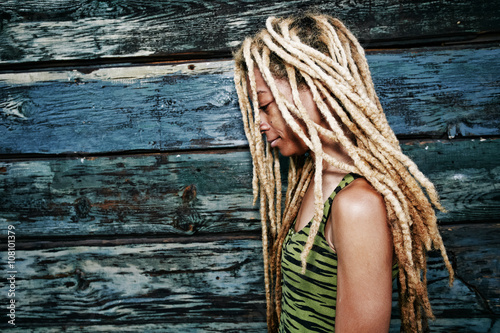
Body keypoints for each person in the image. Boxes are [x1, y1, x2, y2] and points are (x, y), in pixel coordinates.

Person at [233, 13, 454, 333]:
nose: (259, 123)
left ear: (314, 89)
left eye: (265, 105)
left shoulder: (358, 207)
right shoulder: (312, 181)